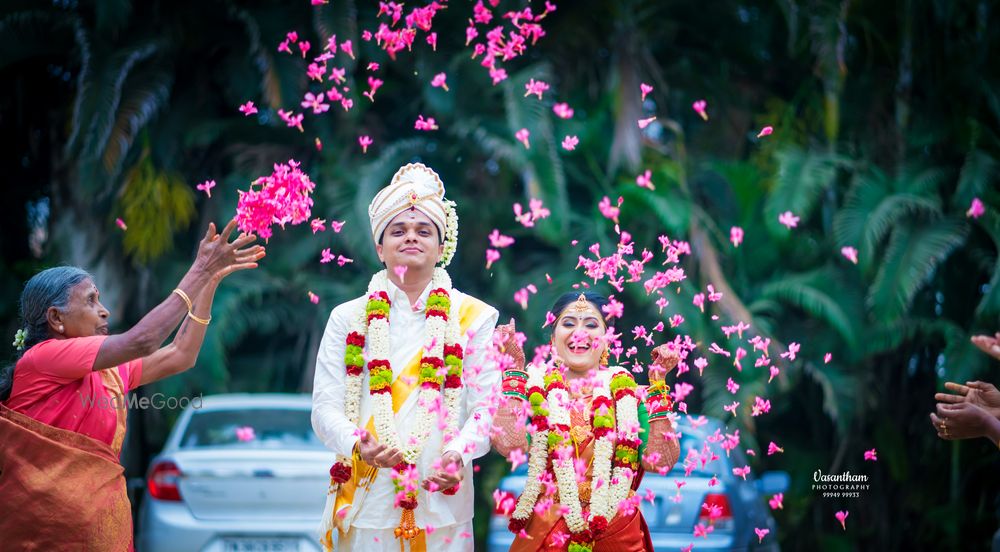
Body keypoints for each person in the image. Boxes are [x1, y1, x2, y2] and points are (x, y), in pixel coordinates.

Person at [0, 220, 264, 550]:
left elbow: (181, 354)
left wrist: (208, 283)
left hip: (97, 530)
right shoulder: (43, 359)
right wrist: (198, 270)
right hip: (42, 536)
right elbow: (144, 340)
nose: (104, 311)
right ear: (56, 319)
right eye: (91, 301)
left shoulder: (106, 372)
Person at [311, 163, 500, 552]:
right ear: (380, 248)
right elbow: (324, 409)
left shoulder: (474, 317)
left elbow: (487, 408)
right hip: (365, 502)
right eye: (397, 230)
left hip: (442, 504)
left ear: (441, 246)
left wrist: (457, 453)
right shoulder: (347, 318)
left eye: (423, 230)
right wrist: (357, 443)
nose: (410, 237)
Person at [491, 291, 681, 552]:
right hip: (548, 533)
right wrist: (513, 369)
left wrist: (658, 384)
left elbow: (660, 462)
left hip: (615, 531)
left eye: (591, 325)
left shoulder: (629, 396)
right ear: (552, 337)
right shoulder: (535, 388)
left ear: (607, 340)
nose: (579, 333)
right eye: (568, 323)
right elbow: (508, 446)